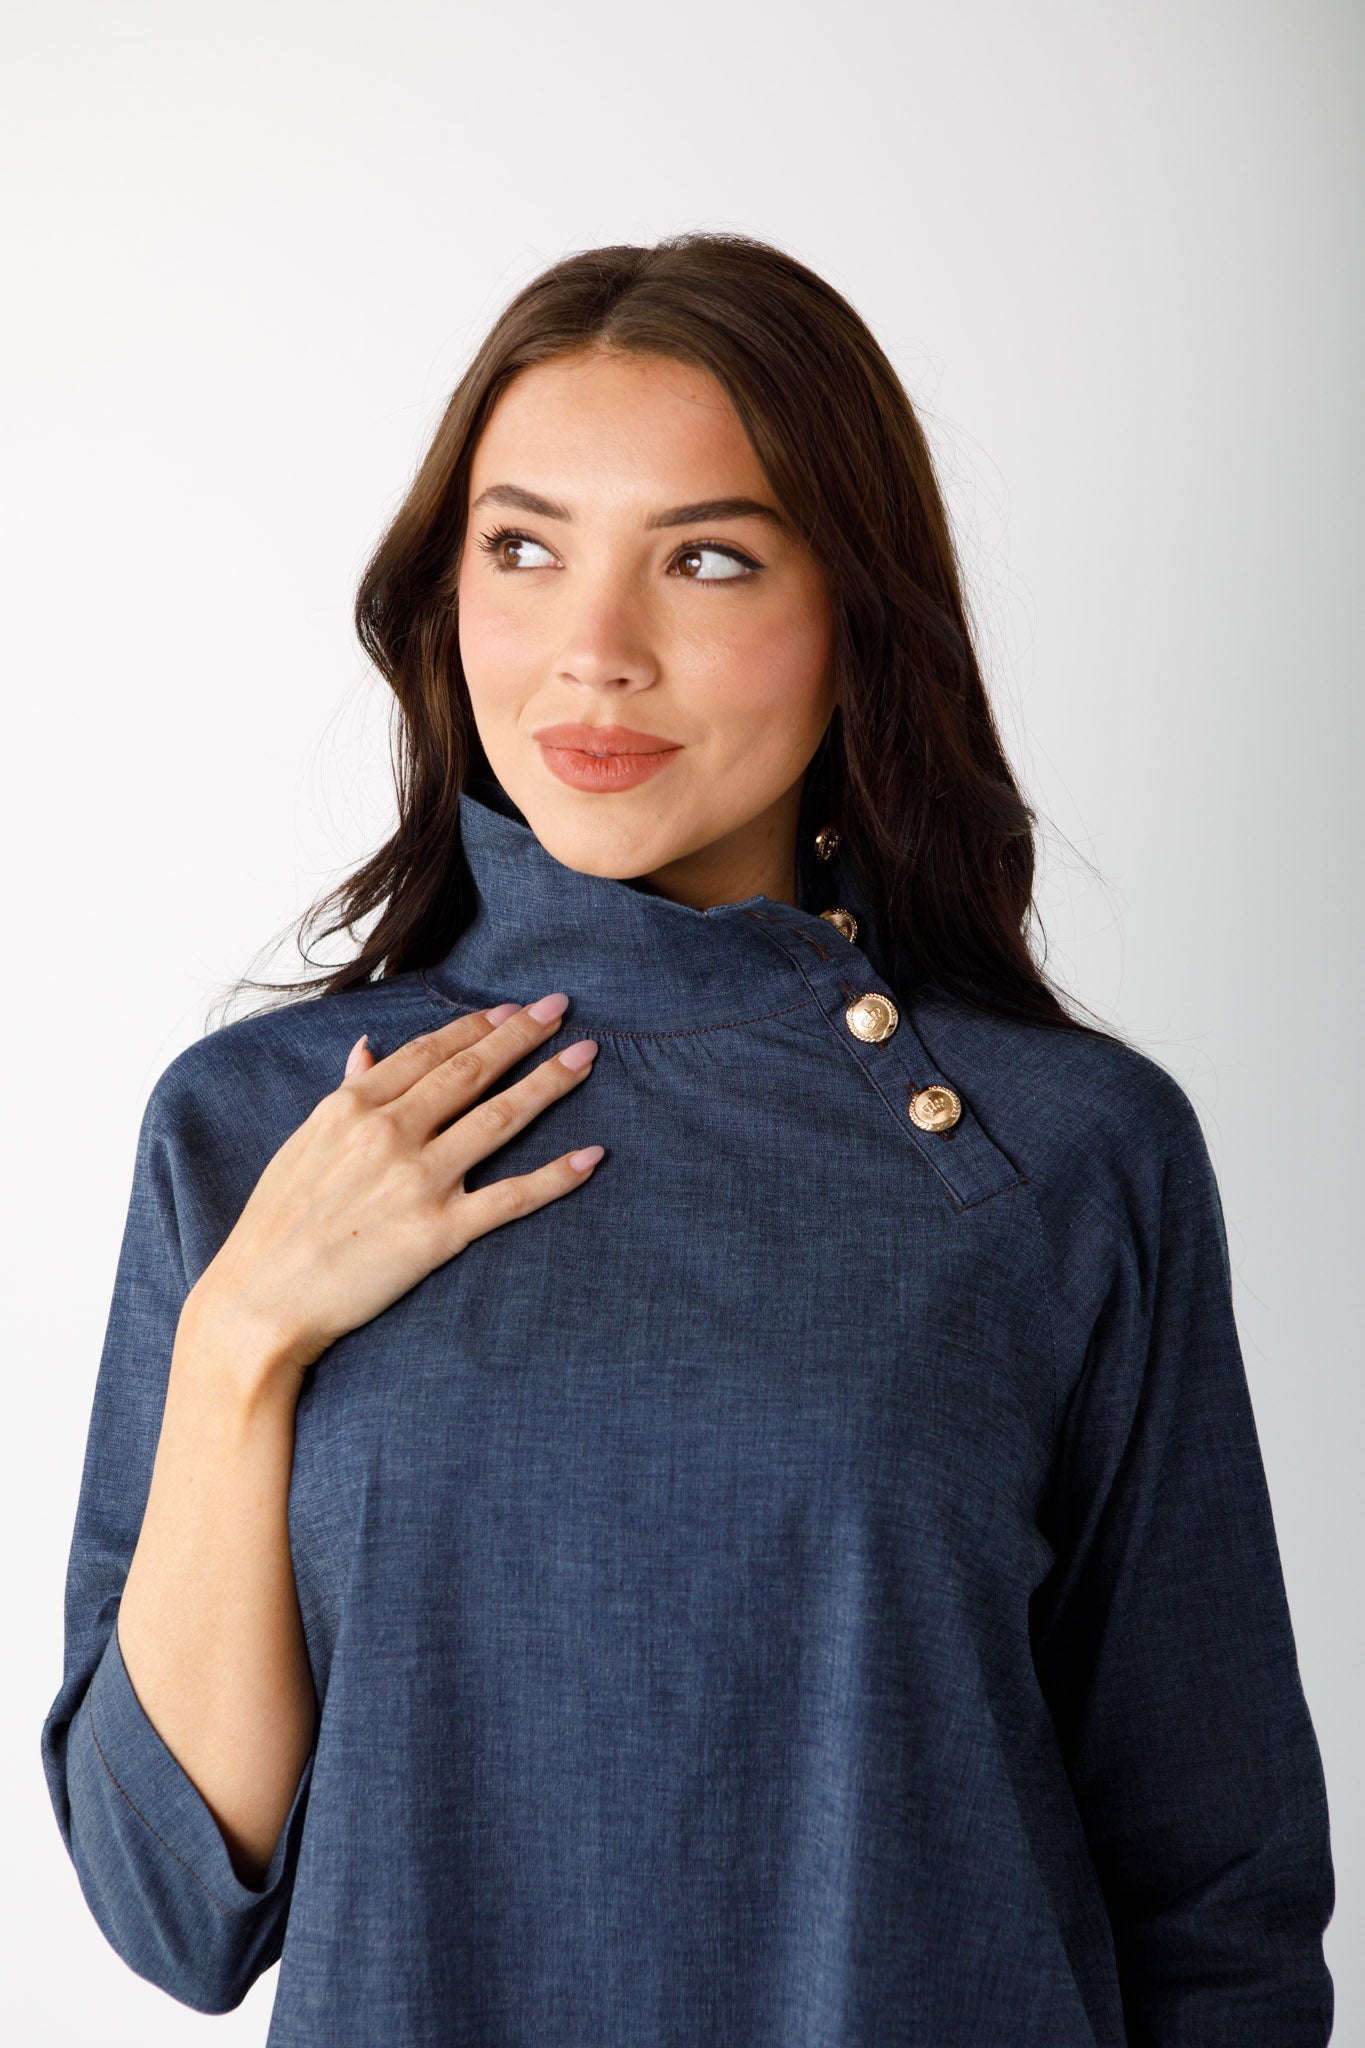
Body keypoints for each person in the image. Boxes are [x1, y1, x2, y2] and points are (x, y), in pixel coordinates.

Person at [41, 231, 1335, 2046]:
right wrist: (244, 1333)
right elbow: (173, 1903)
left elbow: (1219, 1907)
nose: (595, 654)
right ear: (444, 595)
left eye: (706, 558)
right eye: (521, 549)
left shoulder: (1064, 1150)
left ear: (856, 615)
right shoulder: (263, 1129)